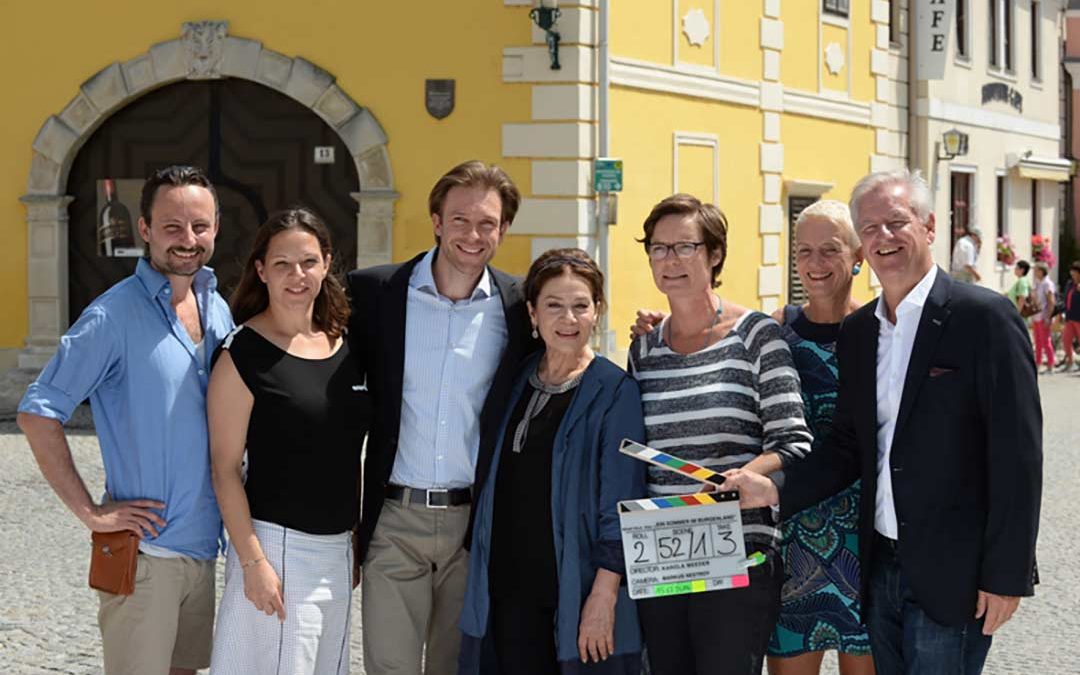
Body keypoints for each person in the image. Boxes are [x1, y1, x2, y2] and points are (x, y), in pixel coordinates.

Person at [721, 169, 1042, 675]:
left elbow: (1018, 455)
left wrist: (1007, 575)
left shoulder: (985, 318)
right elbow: (847, 446)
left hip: (951, 573)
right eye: (869, 228)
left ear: (930, 226)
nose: (882, 238)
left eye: (896, 222)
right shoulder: (859, 330)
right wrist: (773, 488)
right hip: (878, 568)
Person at [16, 165, 231, 675]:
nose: (187, 240)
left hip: (204, 551)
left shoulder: (218, 308)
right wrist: (92, 513)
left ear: (216, 228)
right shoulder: (111, 317)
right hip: (144, 554)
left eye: (199, 226)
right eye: (172, 227)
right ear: (145, 229)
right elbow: (37, 412)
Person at [346, 160, 539, 675]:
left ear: (503, 231)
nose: (472, 235)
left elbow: (568, 359)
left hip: (473, 526)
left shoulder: (521, 308)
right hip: (393, 519)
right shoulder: (374, 294)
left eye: (487, 224)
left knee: (459, 668)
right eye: (460, 220)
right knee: (390, 666)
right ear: (435, 220)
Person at [628, 194, 813, 675]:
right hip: (661, 550)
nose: (670, 260)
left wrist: (745, 476)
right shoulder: (643, 349)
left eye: (685, 247)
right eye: (659, 248)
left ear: (714, 255)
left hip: (737, 549)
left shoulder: (755, 336)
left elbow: (793, 441)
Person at [458, 248, 647, 674]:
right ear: (532, 312)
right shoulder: (515, 377)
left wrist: (603, 596)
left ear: (597, 311)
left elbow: (622, 505)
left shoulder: (615, 392)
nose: (568, 319)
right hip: (503, 590)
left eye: (581, 306)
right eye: (554, 306)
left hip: (571, 593)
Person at [207, 208, 369, 673]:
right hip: (277, 549)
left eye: (308, 262)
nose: (297, 275)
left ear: (326, 263)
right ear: (261, 270)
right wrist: (254, 563)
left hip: (337, 550)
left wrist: (352, 542)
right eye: (282, 264)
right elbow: (223, 470)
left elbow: (345, 452)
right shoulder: (243, 353)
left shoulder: (345, 345)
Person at [765, 201, 874, 675]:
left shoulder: (882, 329)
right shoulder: (775, 330)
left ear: (857, 256)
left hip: (867, 544)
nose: (814, 263)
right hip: (791, 539)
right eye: (804, 251)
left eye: (829, 250)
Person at [1031, 261, 1056, 374]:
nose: (1034, 272)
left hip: (1044, 316)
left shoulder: (1047, 284)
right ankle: (1038, 363)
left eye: (1036, 270)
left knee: (1046, 341)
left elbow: (1051, 302)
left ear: (1041, 271)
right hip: (1037, 315)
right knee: (1038, 342)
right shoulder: (1037, 283)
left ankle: (1051, 365)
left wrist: (1048, 318)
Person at [1057, 261, 1080, 372]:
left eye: (1074, 271)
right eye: (1071, 271)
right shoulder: (1070, 284)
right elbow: (1065, 300)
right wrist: (1061, 313)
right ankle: (1071, 363)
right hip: (1070, 317)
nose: (1072, 273)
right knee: (1066, 340)